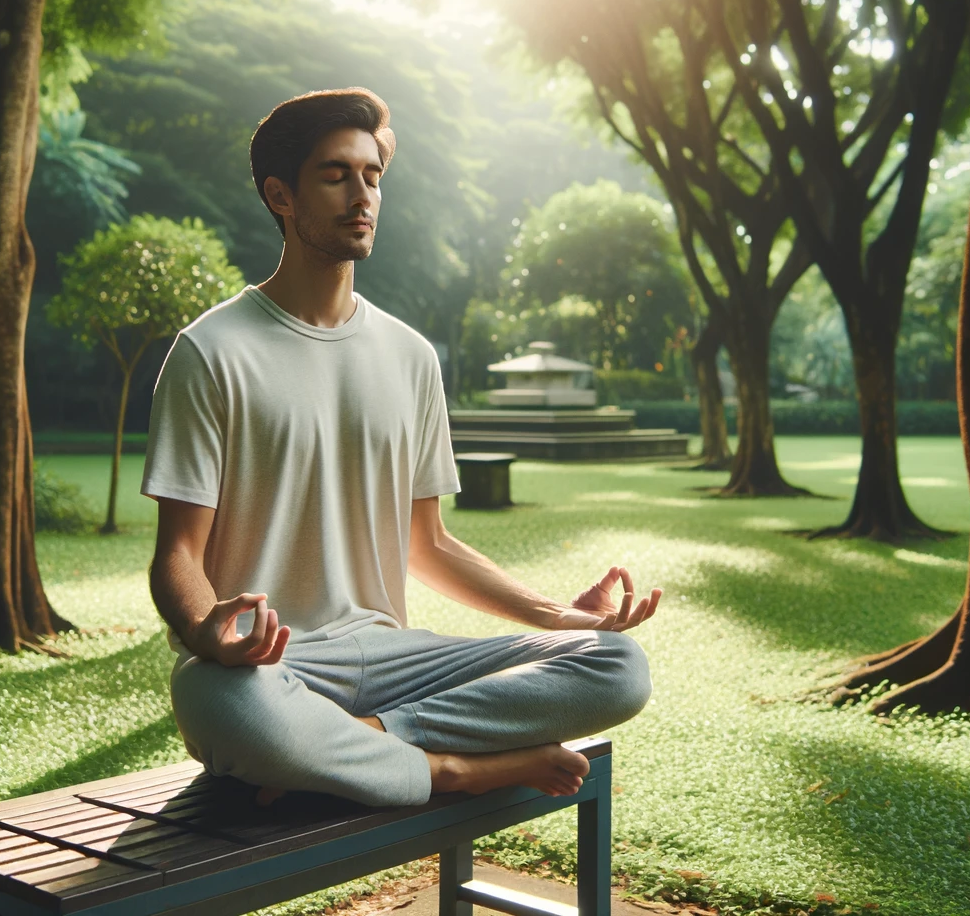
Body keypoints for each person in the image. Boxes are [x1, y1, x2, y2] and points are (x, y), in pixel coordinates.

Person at [142, 87, 662, 809]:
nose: (363, 195)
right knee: (212, 697)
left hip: (397, 660)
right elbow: (177, 555)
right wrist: (207, 633)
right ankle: (454, 769)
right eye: (336, 174)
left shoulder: (411, 356)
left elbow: (431, 545)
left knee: (618, 665)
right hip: (273, 667)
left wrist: (565, 620)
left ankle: (371, 739)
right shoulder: (211, 352)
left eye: (373, 176)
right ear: (280, 194)